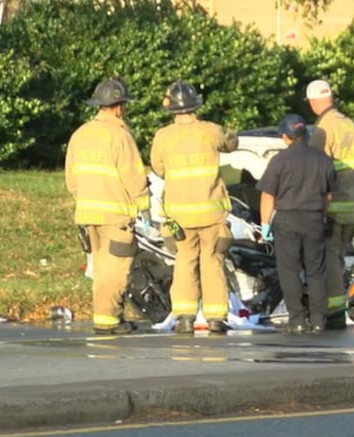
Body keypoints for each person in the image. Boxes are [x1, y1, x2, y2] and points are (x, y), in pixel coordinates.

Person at [149, 80, 238, 334]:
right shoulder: (211, 130)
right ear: (195, 104)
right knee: (212, 263)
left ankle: (185, 318)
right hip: (212, 213)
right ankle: (215, 319)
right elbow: (231, 144)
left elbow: (158, 169)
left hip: (179, 217)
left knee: (185, 262)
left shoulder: (162, 136)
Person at [65, 77, 150, 335]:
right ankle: (108, 320)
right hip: (115, 216)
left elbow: (71, 179)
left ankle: (109, 315)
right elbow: (134, 175)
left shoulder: (79, 134)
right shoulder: (120, 136)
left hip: (88, 214)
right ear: (118, 106)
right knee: (115, 270)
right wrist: (144, 205)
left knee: (101, 269)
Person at [257, 113, 335, 333]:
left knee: (289, 270)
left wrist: (265, 224)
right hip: (314, 219)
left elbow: (267, 196)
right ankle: (319, 319)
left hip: (287, 220)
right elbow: (328, 195)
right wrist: (322, 215)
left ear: (285, 136)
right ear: (305, 134)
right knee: (316, 270)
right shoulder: (322, 159)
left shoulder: (279, 161)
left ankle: (298, 320)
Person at [305, 79, 354, 318]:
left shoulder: (323, 130)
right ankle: (338, 306)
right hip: (349, 205)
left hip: (328, 208)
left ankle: (334, 310)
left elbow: (315, 170)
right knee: (338, 258)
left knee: (329, 259)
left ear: (312, 103)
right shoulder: (352, 126)